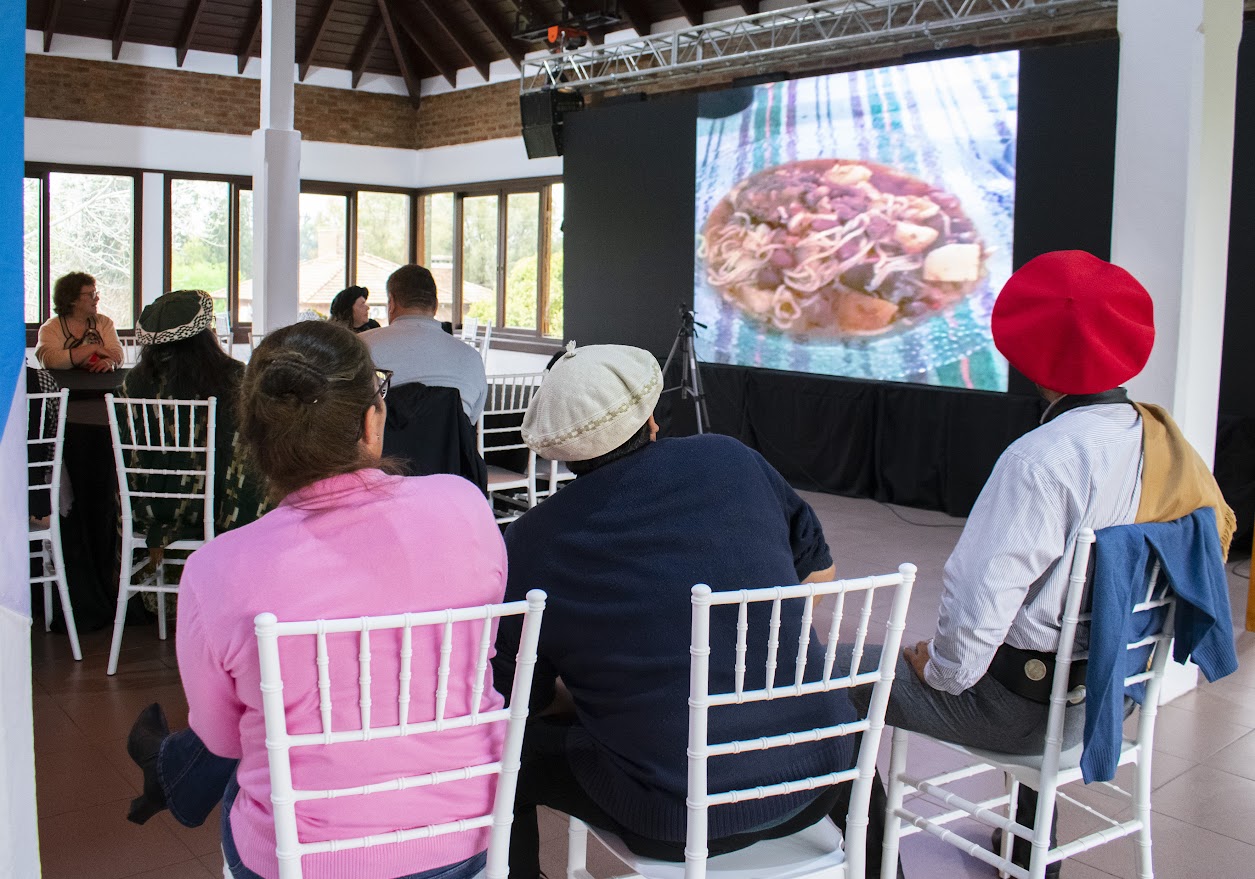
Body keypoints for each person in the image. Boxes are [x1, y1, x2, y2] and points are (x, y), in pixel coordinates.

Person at [848, 250, 1235, 877]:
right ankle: (1032, 854)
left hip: (1024, 712)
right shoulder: (1162, 442)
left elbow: (979, 601)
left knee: (835, 676)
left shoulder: (1041, 459)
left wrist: (940, 669)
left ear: (1024, 353)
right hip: (1114, 693)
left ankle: (864, 863)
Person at [490, 344, 894, 879]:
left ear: (561, 453)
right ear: (651, 418)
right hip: (818, 781)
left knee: (509, 757)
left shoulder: (531, 541)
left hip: (668, 818)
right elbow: (818, 574)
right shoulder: (731, 459)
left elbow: (524, 698)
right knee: (844, 724)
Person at [125, 321, 508, 879]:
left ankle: (166, 774)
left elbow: (222, 738)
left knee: (252, 760)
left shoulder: (217, 568)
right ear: (371, 421)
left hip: (303, 861)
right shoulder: (466, 506)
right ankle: (165, 771)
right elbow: (475, 656)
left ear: (253, 440)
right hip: (467, 838)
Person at [120, 290, 268, 561]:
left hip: (148, 504)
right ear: (204, 334)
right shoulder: (232, 376)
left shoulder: (135, 382)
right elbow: (244, 447)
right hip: (215, 507)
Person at [361, 265, 487, 423]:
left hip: (379, 446)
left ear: (391, 303)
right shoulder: (472, 358)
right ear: (435, 306)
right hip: (449, 448)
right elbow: (471, 421)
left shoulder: (358, 347)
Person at [35, 271, 125, 371]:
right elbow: (49, 360)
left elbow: (118, 355)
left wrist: (109, 362)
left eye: (96, 293)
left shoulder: (104, 322)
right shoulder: (50, 328)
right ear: (72, 299)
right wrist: (93, 348)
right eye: (91, 294)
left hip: (101, 384)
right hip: (63, 385)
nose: (97, 298)